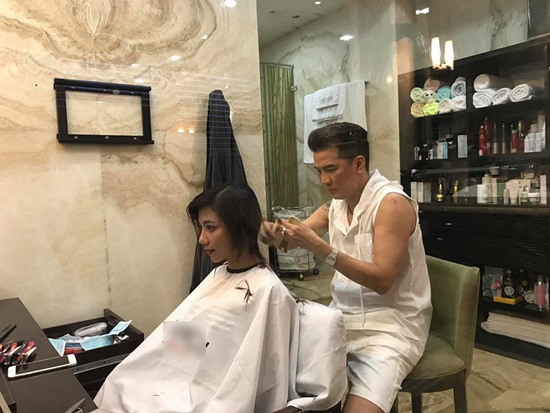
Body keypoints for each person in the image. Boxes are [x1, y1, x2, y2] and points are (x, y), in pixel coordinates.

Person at [94, 184, 346, 413]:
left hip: (216, 395)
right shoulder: (218, 274)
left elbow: (263, 374)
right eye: (201, 228)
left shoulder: (268, 291)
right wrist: (165, 372)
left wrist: (190, 380)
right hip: (183, 382)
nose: (202, 239)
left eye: (211, 228)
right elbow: (188, 341)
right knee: (121, 382)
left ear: (239, 226)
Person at [261, 122, 432, 413]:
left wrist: (321, 248)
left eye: (331, 169)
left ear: (359, 164)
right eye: (319, 171)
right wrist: (266, 231)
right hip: (339, 318)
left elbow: (382, 281)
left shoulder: (391, 205)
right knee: (285, 383)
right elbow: (290, 236)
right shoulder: (335, 205)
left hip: (390, 327)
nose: (324, 180)